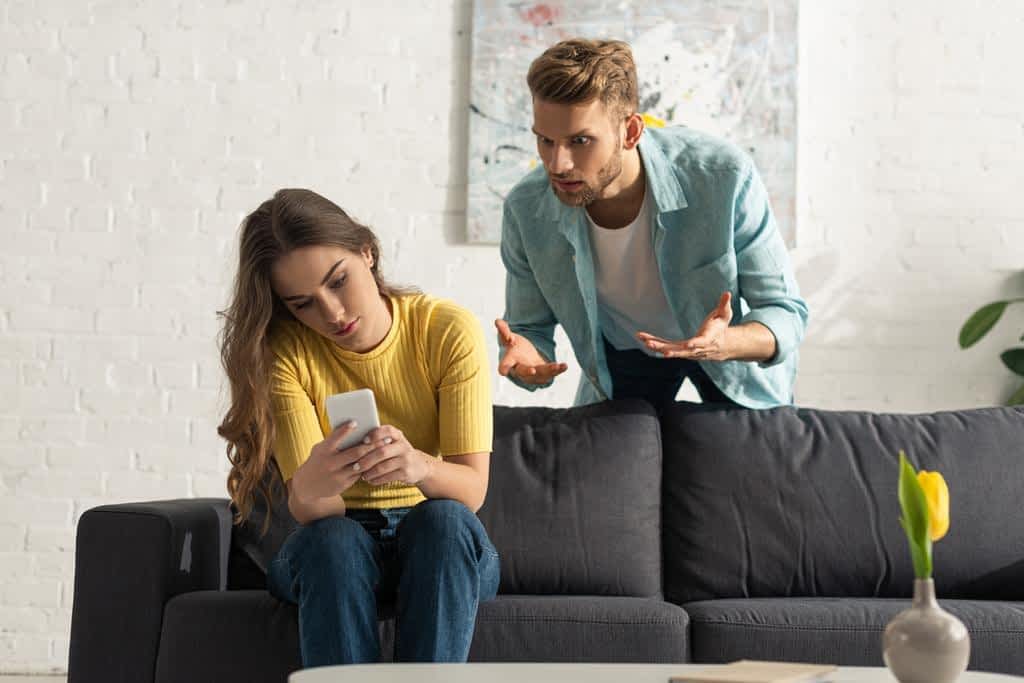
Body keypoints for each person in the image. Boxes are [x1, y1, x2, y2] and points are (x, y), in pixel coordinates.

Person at [216, 189, 499, 666]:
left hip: (436, 544)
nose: (332, 314)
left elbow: (471, 491)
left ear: (367, 252)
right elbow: (317, 512)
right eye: (303, 304)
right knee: (334, 540)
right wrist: (315, 482)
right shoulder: (285, 354)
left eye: (338, 281)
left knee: (445, 522)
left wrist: (418, 466)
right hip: (337, 542)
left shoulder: (446, 330)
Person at [495, 38, 809, 409]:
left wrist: (725, 344)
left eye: (580, 141)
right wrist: (526, 358)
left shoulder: (723, 177)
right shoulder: (526, 209)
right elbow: (529, 330)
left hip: (730, 355)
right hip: (624, 352)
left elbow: (784, 313)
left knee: (745, 446)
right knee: (603, 447)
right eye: (545, 141)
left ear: (630, 132)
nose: (557, 164)